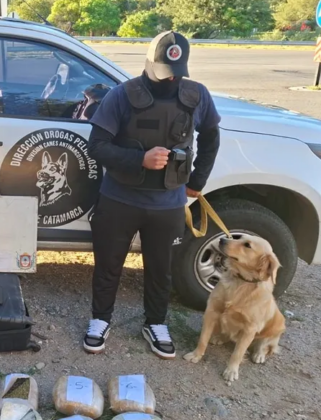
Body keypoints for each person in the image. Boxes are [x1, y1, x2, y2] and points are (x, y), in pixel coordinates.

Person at [84, 31, 221, 359]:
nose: (170, 78)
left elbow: (211, 137)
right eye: (164, 72)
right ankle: (100, 319)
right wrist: (139, 159)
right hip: (119, 199)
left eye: (176, 72)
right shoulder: (121, 95)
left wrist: (197, 181)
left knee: (161, 270)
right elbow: (97, 146)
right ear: (148, 63)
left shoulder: (197, 95)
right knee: (108, 265)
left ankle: (156, 323)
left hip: (168, 203)